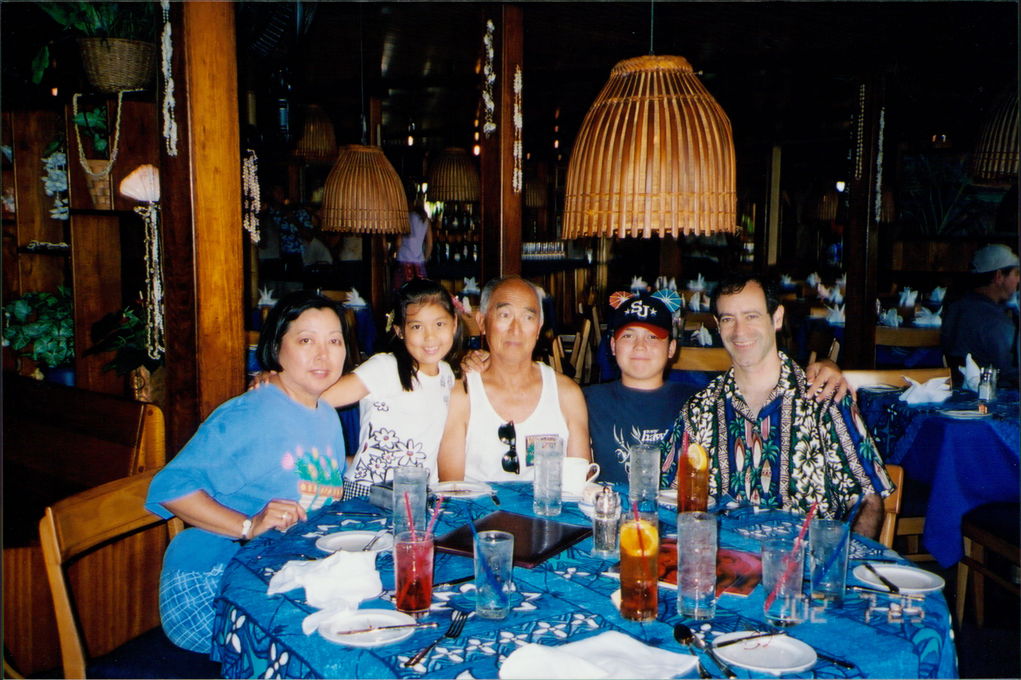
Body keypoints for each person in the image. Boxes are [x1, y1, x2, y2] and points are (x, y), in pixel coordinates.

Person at [146, 291, 347, 653]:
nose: (323, 354)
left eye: (334, 340)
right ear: (276, 348)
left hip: (274, 569)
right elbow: (170, 487)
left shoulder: (326, 413)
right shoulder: (251, 414)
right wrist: (248, 526)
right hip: (208, 583)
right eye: (306, 340)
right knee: (323, 646)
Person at [670, 273, 893, 538]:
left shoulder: (823, 398)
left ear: (776, 318)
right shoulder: (699, 409)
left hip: (806, 568)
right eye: (729, 319)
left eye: (751, 316)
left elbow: (866, 500)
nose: (740, 331)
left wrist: (840, 567)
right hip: (726, 567)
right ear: (718, 325)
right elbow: (671, 496)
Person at [587, 292, 853, 486]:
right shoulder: (584, 400)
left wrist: (828, 367)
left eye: (653, 337)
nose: (640, 346)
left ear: (671, 349)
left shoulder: (703, 403)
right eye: (628, 336)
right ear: (612, 346)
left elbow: (761, 388)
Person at [438, 275, 591, 482]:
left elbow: (580, 486)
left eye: (528, 318)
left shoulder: (567, 394)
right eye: (504, 315)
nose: (515, 329)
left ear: (539, 328)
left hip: (547, 514)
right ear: (482, 322)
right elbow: (451, 492)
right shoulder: (462, 394)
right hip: (477, 513)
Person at [327, 278, 463, 497]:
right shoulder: (385, 367)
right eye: (417, 326)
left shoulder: (447, 375)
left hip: (416, 496)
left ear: (454, 324)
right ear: (400, 331)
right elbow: (321, 398)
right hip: (366, 493)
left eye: (440, 324)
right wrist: (276, 384)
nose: (430, 337)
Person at [941, 243, 1019, 387]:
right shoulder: (995, 321)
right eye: (1016, 274)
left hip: (959, 391)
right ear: (999, 276)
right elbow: (1013, 372)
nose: (1018, 280)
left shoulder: (957, 307)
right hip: (994, 396)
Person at [393, 200, 433, 290]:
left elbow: (398, 242)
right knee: (420, 293)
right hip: (419, 262)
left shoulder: (404, 218)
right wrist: (425, 259)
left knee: (402, 293)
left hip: (403, 260)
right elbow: (429, 244)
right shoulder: (425, 219)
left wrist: (393, 253)